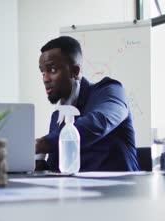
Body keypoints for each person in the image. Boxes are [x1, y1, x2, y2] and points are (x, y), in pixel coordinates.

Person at [35, 36, 140, 171]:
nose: (45, 78)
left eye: (52, 70)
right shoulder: (57, 117)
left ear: (75, 71)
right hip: (78, 190)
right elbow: (58, 167)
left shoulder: (111, 91)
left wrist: (44, 143)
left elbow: (99, 122)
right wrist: (38, 164)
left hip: (120, 190)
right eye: (42, 72)